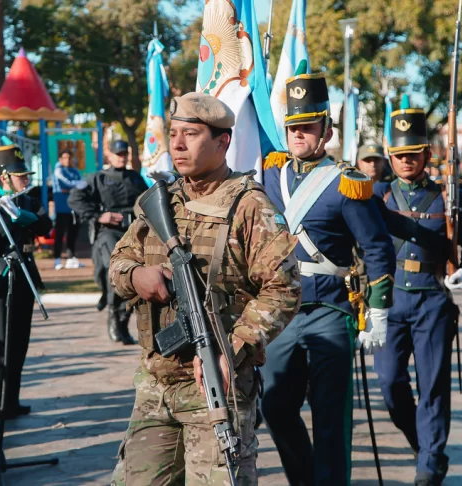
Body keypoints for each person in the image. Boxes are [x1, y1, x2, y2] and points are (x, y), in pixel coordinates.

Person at [108, 92, 301, 485]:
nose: (177, 144)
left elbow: (283, 289)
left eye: (191, 134)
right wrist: (136, 278)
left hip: (215, 385)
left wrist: (233, 349)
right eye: (174, 133)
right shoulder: (159, 202)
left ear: (222, 141)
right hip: (156, 385)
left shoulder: (249, 206)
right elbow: (119, 262)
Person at [259, 71, 395, 485]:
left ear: (326, 131)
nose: (299, 134)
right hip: (283, 310)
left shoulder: (347, 184)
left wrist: (378, 309)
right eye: (293, 127)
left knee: (330, 414)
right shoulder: (270, 174)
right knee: (276, 406)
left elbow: (376, 248)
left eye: (308, 127)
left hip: (331, 310)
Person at [373, 108, 462, 486]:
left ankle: (429, 464)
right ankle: (424, 445)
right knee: (390, 384)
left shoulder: (448, 196)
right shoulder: (378, 195)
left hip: (432, 302)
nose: (407, 160)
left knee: (433, 388)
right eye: (400, 154)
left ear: (426, 155)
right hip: (390, 302)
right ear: (391, 156)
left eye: (414, 153)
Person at [0, 145, 52, 419]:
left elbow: (45, 226)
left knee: (19, 341)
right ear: (4, 177)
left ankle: (12, 399)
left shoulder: (29, 200)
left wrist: (21, 215)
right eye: (20, 175)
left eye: (26, 174)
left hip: (24, 275)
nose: (26, 179)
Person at [68, 139, 147, 344]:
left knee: (134, 275)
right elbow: (75, 199)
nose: (122, 157)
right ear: (109, 156)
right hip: (109, 233)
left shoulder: (136, 178)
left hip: (133, 232)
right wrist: (97, 216)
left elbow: (147, 201)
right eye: (118, 154)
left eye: (124, 154)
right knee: (115, 272)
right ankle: (114, 317)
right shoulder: (98, 178)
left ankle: (123, 322)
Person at [52, 149, 86, 270]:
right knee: (60, 234)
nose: (67, 160)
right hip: (62, 208)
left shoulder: (75, 171)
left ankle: (71, 258)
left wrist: (75, 187)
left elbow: (83, 186)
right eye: (64, 157)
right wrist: (76, 187)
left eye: (69, 157)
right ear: (60, 160)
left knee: (73, 233)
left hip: (74, 208)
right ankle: (57, 259)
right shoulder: (58, 171)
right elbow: (64, 187)